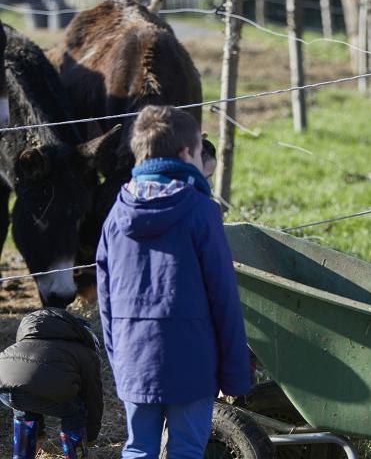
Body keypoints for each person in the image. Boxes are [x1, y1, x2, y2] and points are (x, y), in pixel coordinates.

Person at [96, 105, 251, 458]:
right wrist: (235, 374)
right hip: (192, 361)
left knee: (138, 449)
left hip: (135, 359)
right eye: (200, 153)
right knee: (185, 450)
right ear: (185, 154)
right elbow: (223, 296)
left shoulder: (116, 216)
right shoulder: (200, 212)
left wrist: (119, 359)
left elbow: (104, 300)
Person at [0, 308, 103, 459]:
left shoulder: (28, 340)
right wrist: (90, 437)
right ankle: (76, 455)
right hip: (36, 387)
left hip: (4, 386)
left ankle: (23, 454)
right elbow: (92, 397)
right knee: (76, 411)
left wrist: (39, 434)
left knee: (24, 407)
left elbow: (24, 379)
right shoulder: (83, 351)